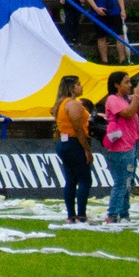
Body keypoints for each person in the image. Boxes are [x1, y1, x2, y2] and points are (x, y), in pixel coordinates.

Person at [101, 71, 139, 223]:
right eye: (126, 82)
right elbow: (129, 114)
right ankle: (112, 215)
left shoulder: (126, 99)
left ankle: (124, 213)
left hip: (131, 145)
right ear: (117, 85)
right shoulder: (113, 99)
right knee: (121, 182)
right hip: (120, 148)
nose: (130, 85)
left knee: (128, 182)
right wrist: (137, 96)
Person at [53, 75, 93, 225]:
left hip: (63, 142)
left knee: (70, 180)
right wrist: (87, 150)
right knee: (84, 180)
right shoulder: (74, 104)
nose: (81, 87)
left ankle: (71, 215)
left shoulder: (60, 104)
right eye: (78, 84)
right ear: (71, 88)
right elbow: (78, 129)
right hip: (74, 143)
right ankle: (81, 215)